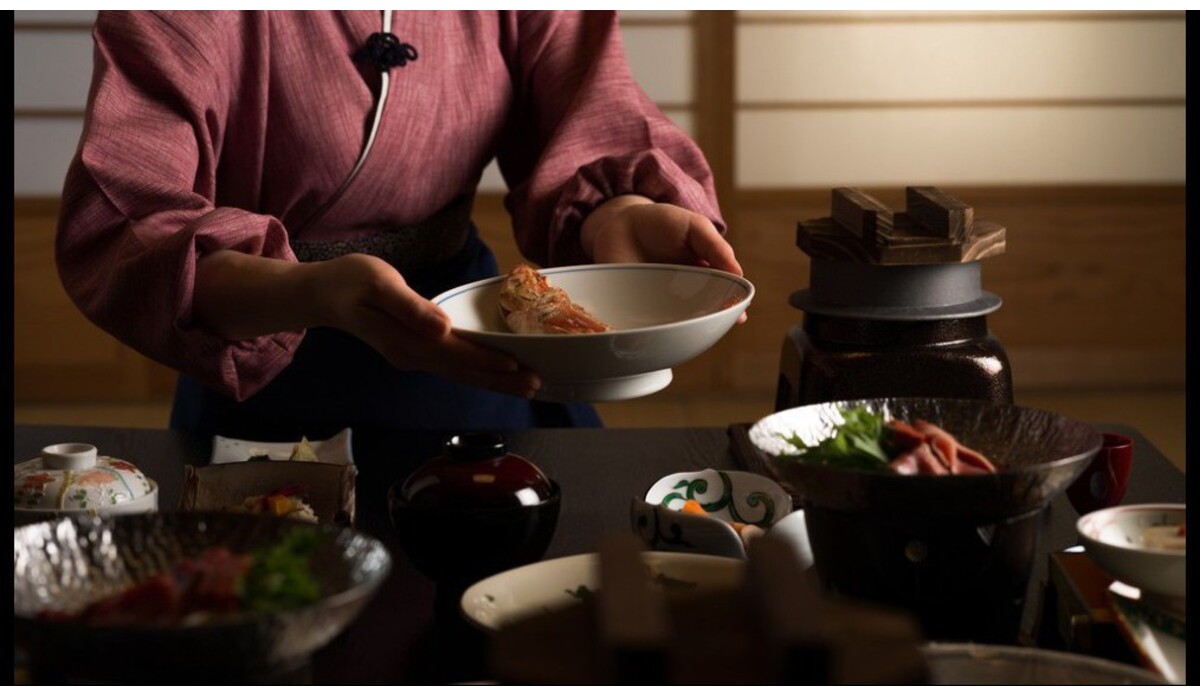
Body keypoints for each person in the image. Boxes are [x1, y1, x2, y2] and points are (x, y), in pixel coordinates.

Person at [56, 10, 743, 441]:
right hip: (267, 343)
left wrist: (622, 213)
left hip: (466, 336)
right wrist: (312, 292)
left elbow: (587, 110)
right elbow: (131, 220)